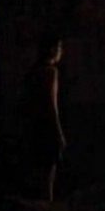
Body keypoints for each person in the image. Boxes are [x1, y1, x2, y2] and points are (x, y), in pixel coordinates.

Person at [23, 33, 67, 201]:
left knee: (37, 172)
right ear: (52, 49)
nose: (61, 52)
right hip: (46, 126)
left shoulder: (34, 71)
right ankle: (45, 206)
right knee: (48, 174)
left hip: (33, 125)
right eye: (60, 48)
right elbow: (51, 104)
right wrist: (58, 132)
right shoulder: (50, 72)